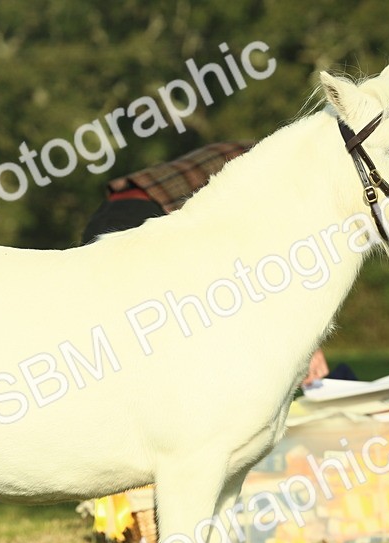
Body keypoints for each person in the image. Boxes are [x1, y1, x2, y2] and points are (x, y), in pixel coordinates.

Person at [81, 142, 343, 385]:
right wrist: (305, 344)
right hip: (143, 216)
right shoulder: (279, 168)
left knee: (127, 337)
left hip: (113, 212)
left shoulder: (267, 155)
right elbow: (260, 259)